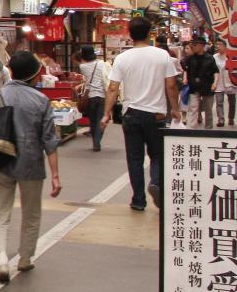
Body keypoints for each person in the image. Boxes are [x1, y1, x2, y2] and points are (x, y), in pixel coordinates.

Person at [0, 51, 61, 284]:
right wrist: (55, 175)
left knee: (1, 212)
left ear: (10, 71)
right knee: (31, 212)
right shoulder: (41, 101)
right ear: (35, 74)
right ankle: (24, 258)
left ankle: (2, 258)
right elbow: (49, 139)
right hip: (31, 163)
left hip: (0, 160)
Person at [103, 17, 181, 211]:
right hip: (157, 116)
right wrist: (177, 110)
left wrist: (106, 114)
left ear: (130, 34)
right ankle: (155, 182)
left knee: (135, 159)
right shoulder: (162, 56)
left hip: (132, 115)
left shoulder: (122, 58)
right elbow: (171, 86)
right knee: (157, 155)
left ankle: (138, 200)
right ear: (149, 33)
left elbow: (113, 88)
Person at [182, 36, 219, 127]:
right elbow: (186, 70)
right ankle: (191, 129)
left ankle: (208, 129)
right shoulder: (190, 59)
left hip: (207, 86)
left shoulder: (210, 58)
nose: (193, 47)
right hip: (194, 87)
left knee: (208, 109)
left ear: (201, 46)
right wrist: (185, 78)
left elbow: (216, 71)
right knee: (193, 108)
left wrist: (215, 83)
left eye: (195, 45)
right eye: (192, 45)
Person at [77, 45, 109, 151]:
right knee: (101, 120)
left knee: (93, 121)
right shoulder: (101, 63)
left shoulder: (82, 67)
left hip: (90, 97)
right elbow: (106, 77)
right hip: (101, 96)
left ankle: (95, 142)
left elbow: (86, 80)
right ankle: (97, 142)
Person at [216, 41, 236, 127]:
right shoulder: (214, 57)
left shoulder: (230, 56)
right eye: (217, 45)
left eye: (220, 45)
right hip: (218, 83)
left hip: (230, 82)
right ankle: (221, 120)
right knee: (219, 102)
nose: (218, 46)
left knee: (232, 102)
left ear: (225, 46)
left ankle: (231, 118)